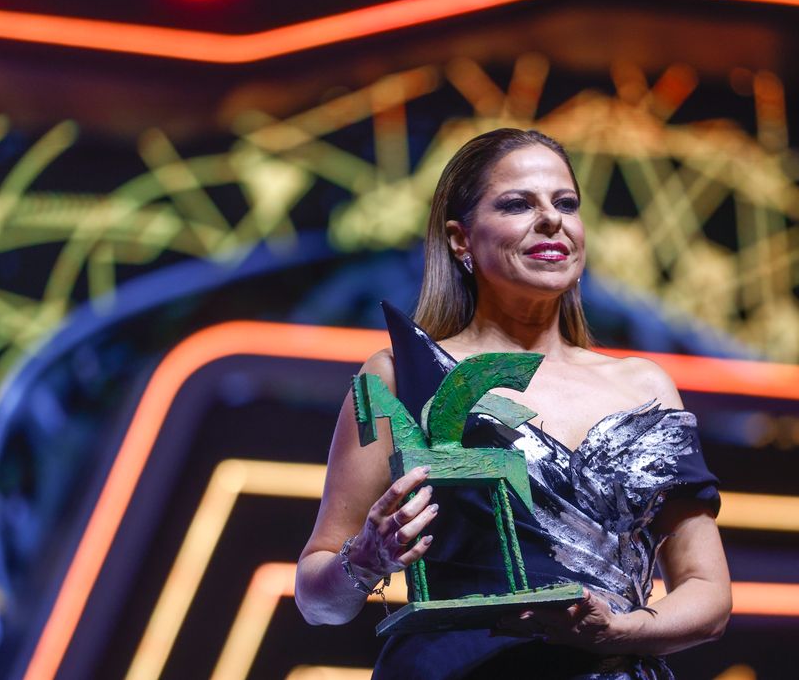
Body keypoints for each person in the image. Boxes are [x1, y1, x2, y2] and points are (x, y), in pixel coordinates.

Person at [296, 128, 731, 679]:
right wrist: (364, 559)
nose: (551, 220)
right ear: (460, 240)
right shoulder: (400, 376)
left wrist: (622, 632)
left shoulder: (644, 386)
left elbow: (708, 592)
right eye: (518, 204)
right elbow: (317, 600)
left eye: (566, 204)